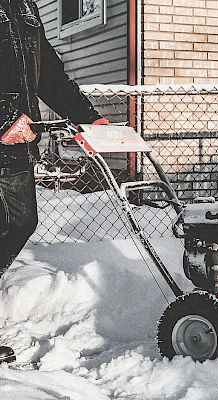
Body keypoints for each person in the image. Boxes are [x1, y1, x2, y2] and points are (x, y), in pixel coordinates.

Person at [1, 0, 108, 363]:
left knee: (18, 223)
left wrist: (88, 117)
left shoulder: (24, 7)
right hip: (6, 130)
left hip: (15, 145)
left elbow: (48, 74)